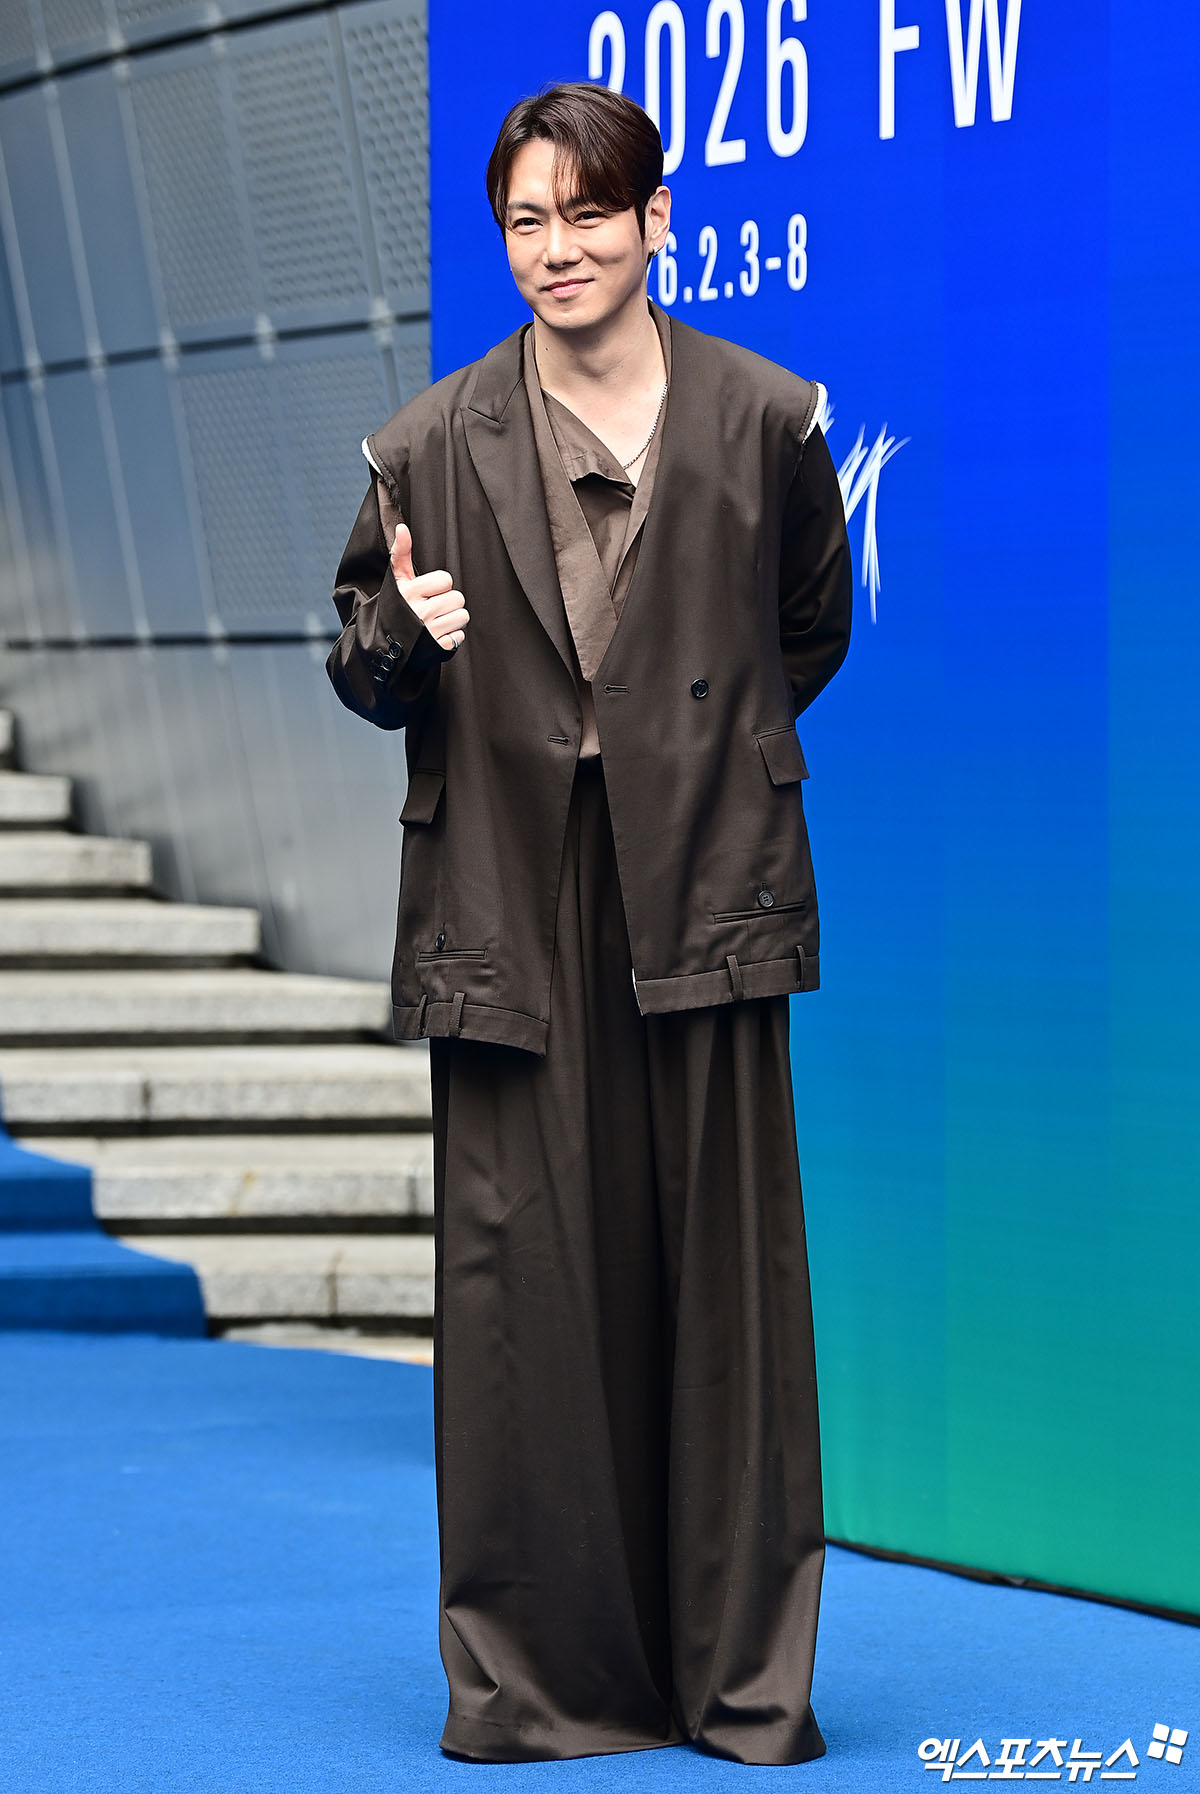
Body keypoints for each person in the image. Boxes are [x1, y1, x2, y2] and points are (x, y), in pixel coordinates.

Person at [326, 81, 852, 1767]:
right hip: (509, 887)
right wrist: (403, 638)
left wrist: (683, 745)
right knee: (521, 1299)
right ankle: (541, 1682)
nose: (557, 249)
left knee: (730, 1296)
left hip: (705, 872)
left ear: (654, 221)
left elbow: (807, 628)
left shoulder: (767, 418)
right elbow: (358, 661)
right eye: (526, 222)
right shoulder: (425, 444)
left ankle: (740, 1681)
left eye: (588, 214)